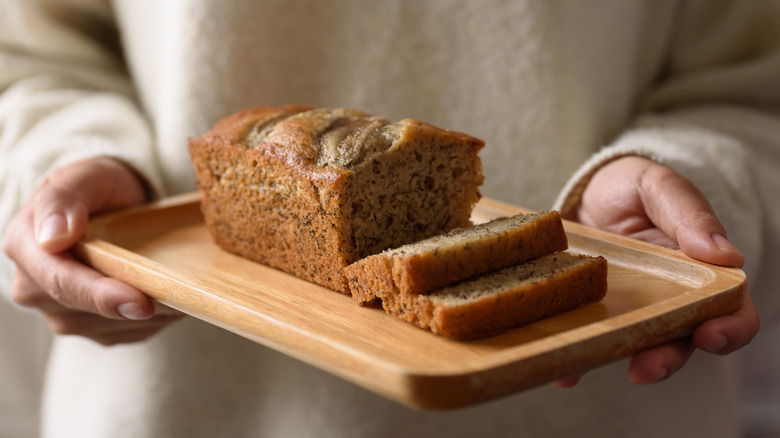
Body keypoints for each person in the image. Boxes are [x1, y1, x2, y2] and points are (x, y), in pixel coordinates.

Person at [0, 0, 777, 437]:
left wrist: (690, 182)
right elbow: (32, 60)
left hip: (602, 407)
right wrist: (67, 162)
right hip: (180, 406)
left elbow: (754, 88)